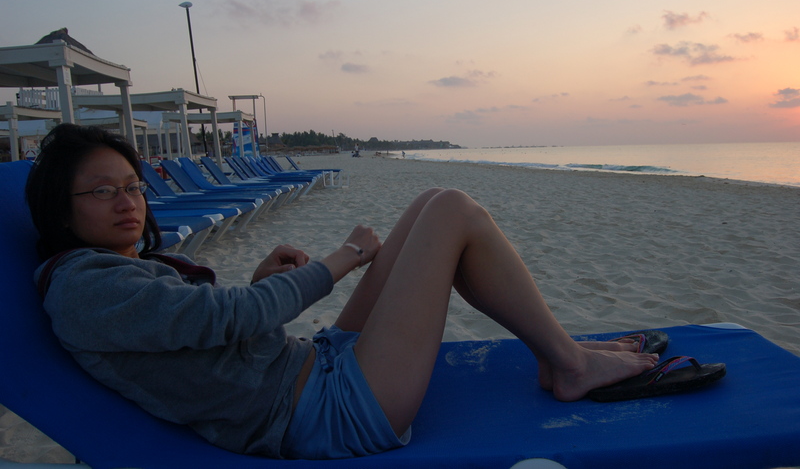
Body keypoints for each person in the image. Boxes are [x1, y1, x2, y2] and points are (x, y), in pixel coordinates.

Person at [26, 124, 658, 460]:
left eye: (133, 186)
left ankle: (556, 353)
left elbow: (209, 338)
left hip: (314, 367)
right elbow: (225, 320)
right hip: (325, 411)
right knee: (454, 211)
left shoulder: (119, 272)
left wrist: (263, 285)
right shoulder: (86, 286)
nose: (127, 202)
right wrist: (343, 259)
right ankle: (569, 364)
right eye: (103, 191)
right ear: (61, 206)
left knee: (431, 201)